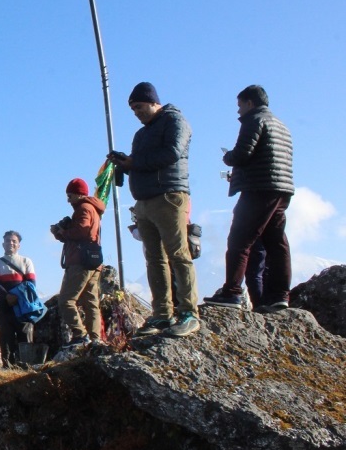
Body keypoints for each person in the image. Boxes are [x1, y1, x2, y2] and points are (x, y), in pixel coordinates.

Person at [107, 81, 200, 338]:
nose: (136, 113)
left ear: (152, 101)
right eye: (133, 109)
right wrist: (124, 164)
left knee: (178, 254)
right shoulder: (141, 134)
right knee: (154, 259)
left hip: (169, 196)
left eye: (139, 107)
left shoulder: (175, 121)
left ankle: (189, 312)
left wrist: (134, 162)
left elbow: (171, 153)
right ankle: (162, 313)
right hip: (144, 202)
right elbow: (142, 164)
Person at [203, 85, 293, 313]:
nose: (238, 111)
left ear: (250, 103)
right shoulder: (282, 125)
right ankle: (279, 295)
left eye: (240, 105)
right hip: (282, 188)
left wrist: (227, 157)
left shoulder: (254, 121)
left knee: (239, 241)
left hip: (258, 188)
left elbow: (243, 154)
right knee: (276, 241)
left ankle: (232, 292)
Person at [51, 178, 105, 348]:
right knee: (90, 301)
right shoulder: (94, 208)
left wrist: (63, 231)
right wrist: (61, 234)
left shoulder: (83, 208)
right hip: (93, 261)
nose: (68, 200)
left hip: (80, 262)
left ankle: (80, 334)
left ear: (78, 194)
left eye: (70, 195)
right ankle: (95, 338)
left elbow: (82, 231)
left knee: (66, 300)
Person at [0, 230, 36, 363]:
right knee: (5, 339)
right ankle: (7, 367)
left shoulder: (26, 261)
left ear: (19, 245)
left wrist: (16, 297)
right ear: (3, 244)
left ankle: (26, 366)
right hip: (4, 307)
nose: (11, 243)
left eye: (14, 241)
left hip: (23, 307)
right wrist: (8, 297)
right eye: (8, 241)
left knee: (25, 337)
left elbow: (31, 283)